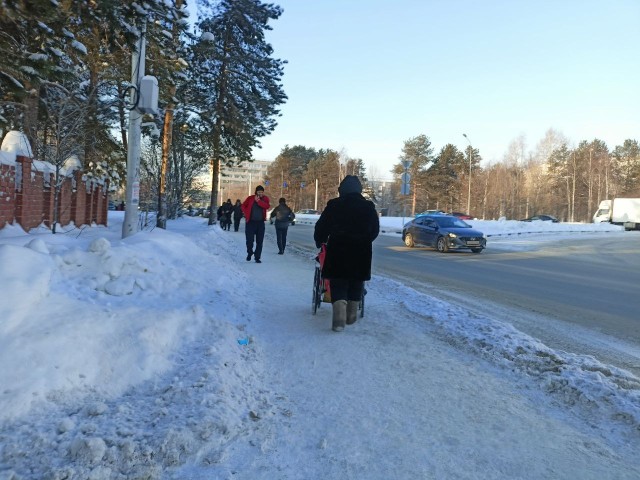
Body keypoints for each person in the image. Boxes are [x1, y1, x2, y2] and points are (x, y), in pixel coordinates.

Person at [314, 175, 379, 332]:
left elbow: (321, 226)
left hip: (338, 248)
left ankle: (339, 317)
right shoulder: (368, 207)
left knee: (338, 281)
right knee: (356, 280)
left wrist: (320, 240)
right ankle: (351, 311)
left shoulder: (334, 205)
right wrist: (365, 239)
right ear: (359, 190)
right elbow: (375, 230)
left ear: (341, 190)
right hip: (361, 251)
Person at [241, 185, 270, 263]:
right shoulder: (250, 198)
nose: (260, 193)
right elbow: (243, 205)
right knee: (249, 240)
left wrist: (259, 201)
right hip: (250, 222)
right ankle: (249, 252)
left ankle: (257, 257)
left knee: (259, 241)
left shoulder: (265, 199)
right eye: (259, 192)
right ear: (256, 192)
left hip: (260, 223)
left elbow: (267, 206)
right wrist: (246, 212)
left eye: (262, 192)